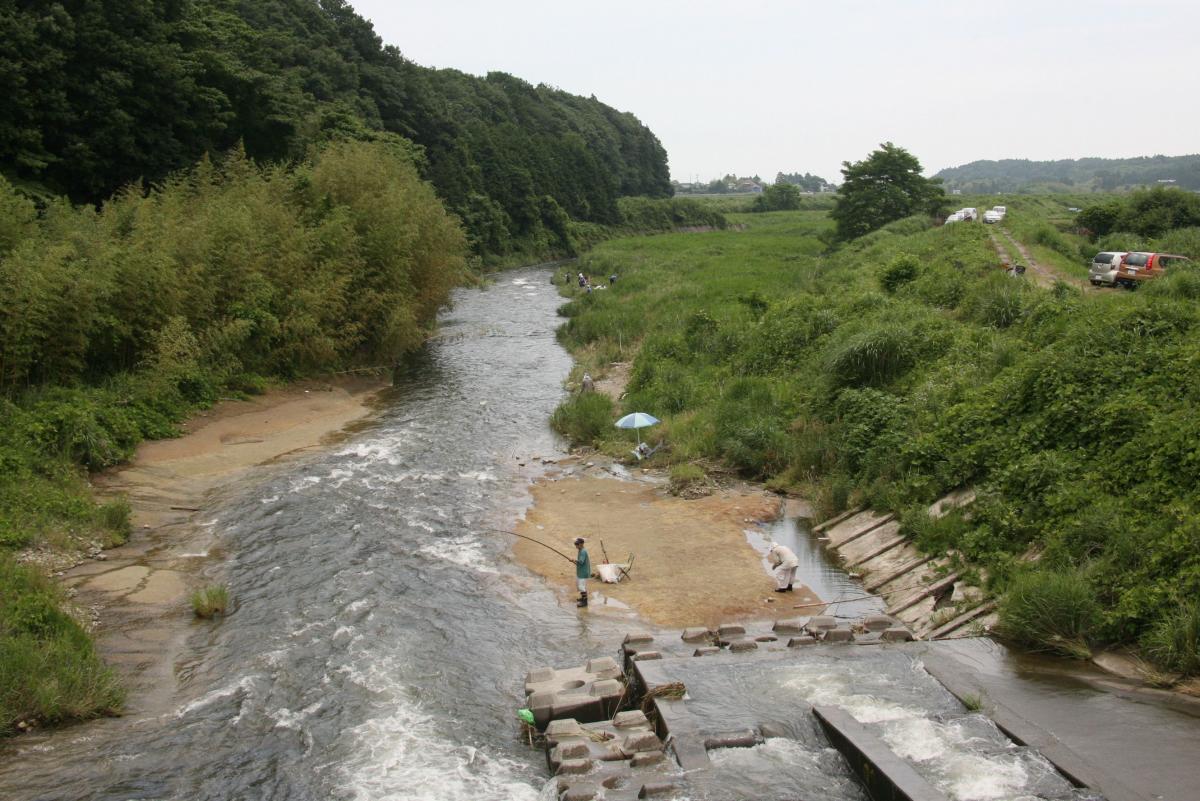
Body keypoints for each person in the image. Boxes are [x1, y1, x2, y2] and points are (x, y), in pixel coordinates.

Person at [574, 537, 591, 607]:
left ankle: (585, 602)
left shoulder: (583, 551)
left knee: (581, 587)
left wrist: (574, 560)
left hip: (583, 572)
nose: (576, 546)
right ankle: (583, 598)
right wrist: (575, 561)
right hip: (580, 571)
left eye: (577, 544)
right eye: (575, 544)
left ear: (581, 544)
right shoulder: (580, 550)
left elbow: (581, 561)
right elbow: (580, 562)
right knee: (579, 586)